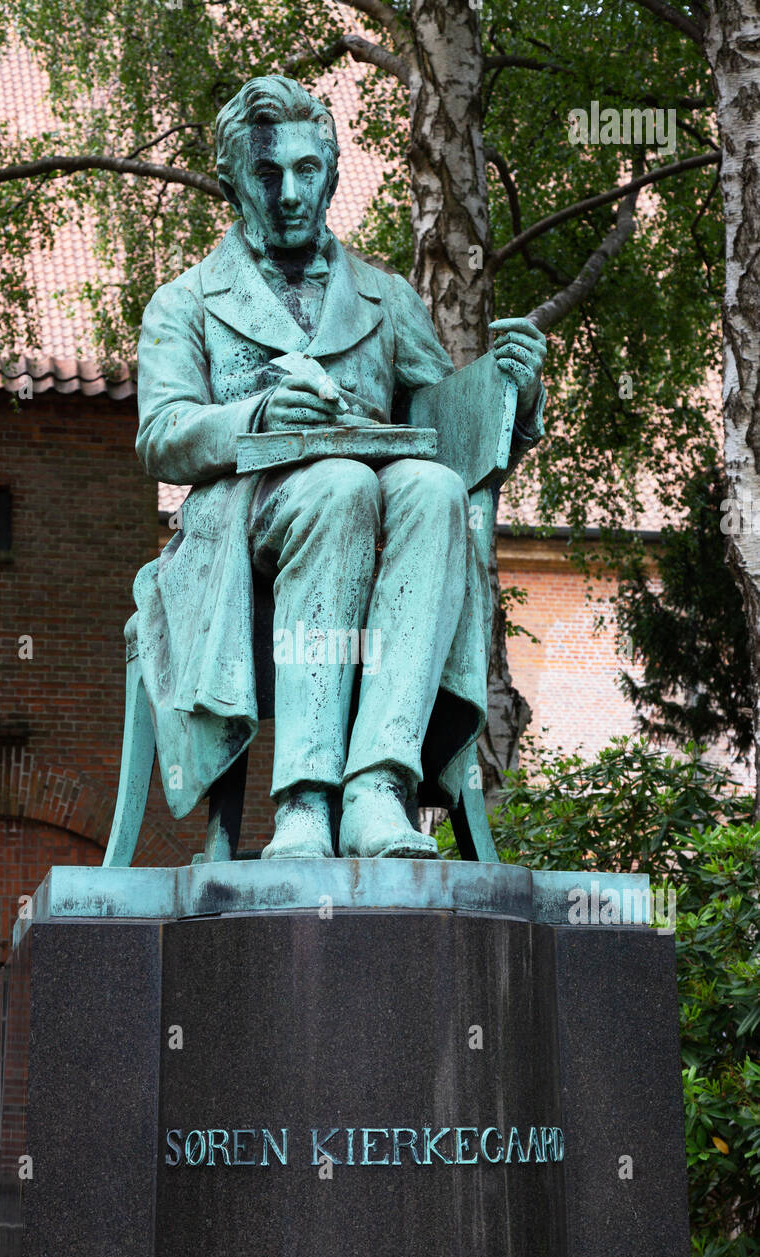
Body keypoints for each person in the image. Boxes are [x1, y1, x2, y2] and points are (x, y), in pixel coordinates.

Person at [133, 76, 546, 859]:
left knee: (431, 488)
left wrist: (512, 391)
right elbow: (162, 434)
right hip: (242, 534)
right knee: (339, 485)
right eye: (265, 175)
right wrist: (254, 416)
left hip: (375, 516)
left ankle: (377, 788)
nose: (290, 194)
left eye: (307, 171)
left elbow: (443, 427)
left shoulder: (386, 299)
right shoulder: (184, 301)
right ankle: (303, 802)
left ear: (330, 172)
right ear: (232, 182)